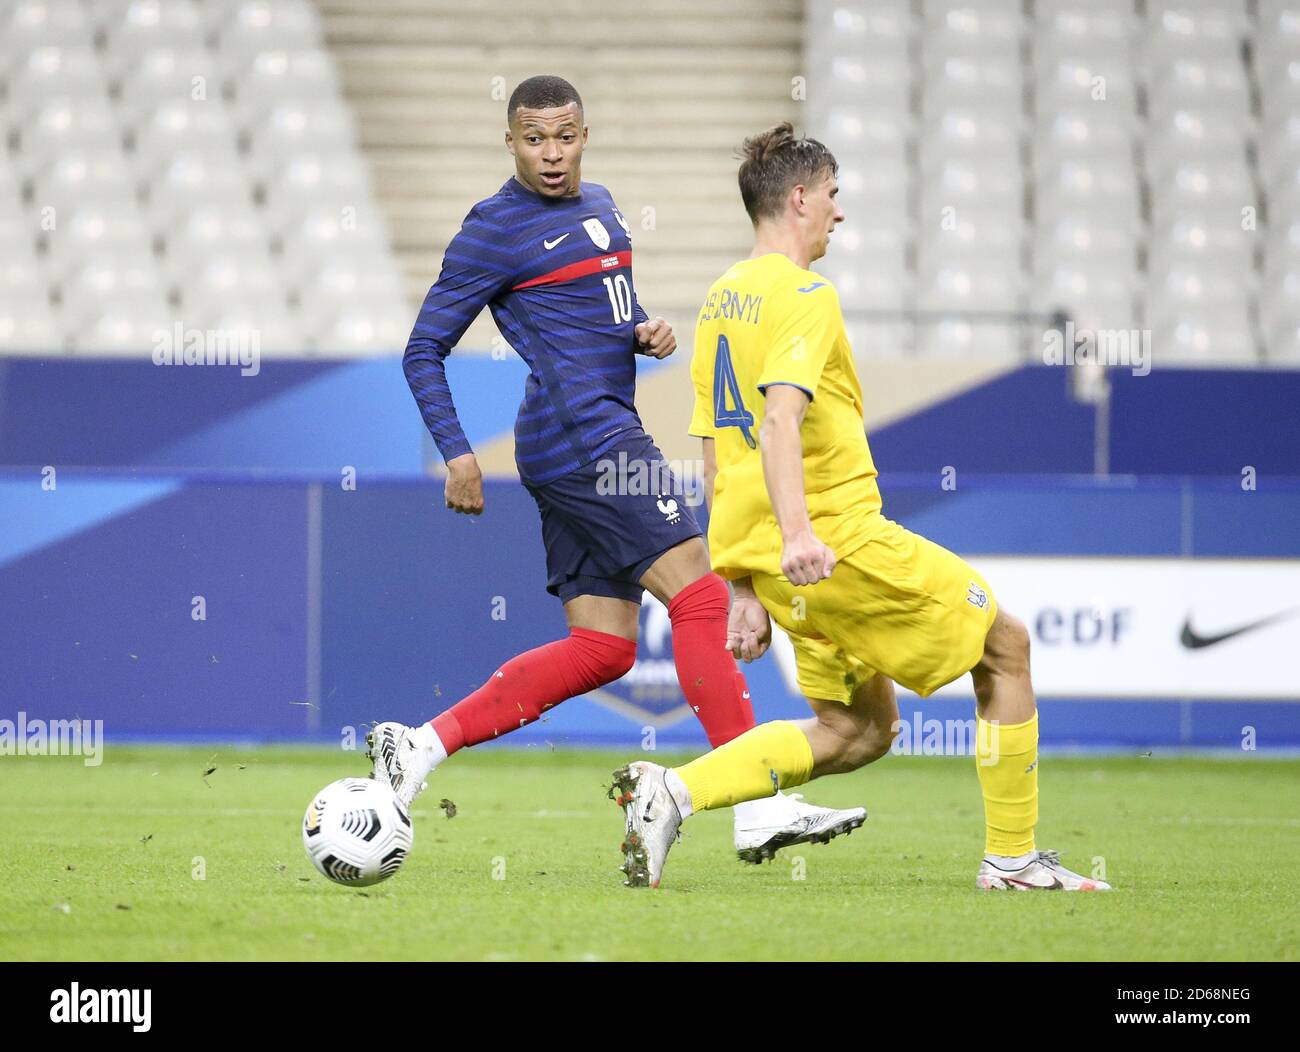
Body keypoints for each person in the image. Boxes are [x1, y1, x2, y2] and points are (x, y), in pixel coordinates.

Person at [370, 80, 863, 862]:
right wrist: (457, 450)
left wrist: (641, 332)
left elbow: (590, 316)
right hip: (586, 438)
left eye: (564, 137)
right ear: (510, 143)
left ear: (585, 134)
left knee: (604, 648)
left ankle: (419, 747)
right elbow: (421, 348)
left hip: (585, 432)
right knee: (701, 596)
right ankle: (754, 808)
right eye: (535, 139)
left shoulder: (600, 204)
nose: (553, 154)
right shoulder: (491, 229)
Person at [609, 122, 1110, 891]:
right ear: (801, 197)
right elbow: (777, 421)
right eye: (833, 196)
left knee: (859, 729)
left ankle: (671, 793)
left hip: (774, 562)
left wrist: (742, 584)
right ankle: (1011, 861)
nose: (839, 214)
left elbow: (714, 449)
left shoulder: (720, 299)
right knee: (1005, 645)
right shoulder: (806, 295)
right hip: (833, 544)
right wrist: (803, 535)